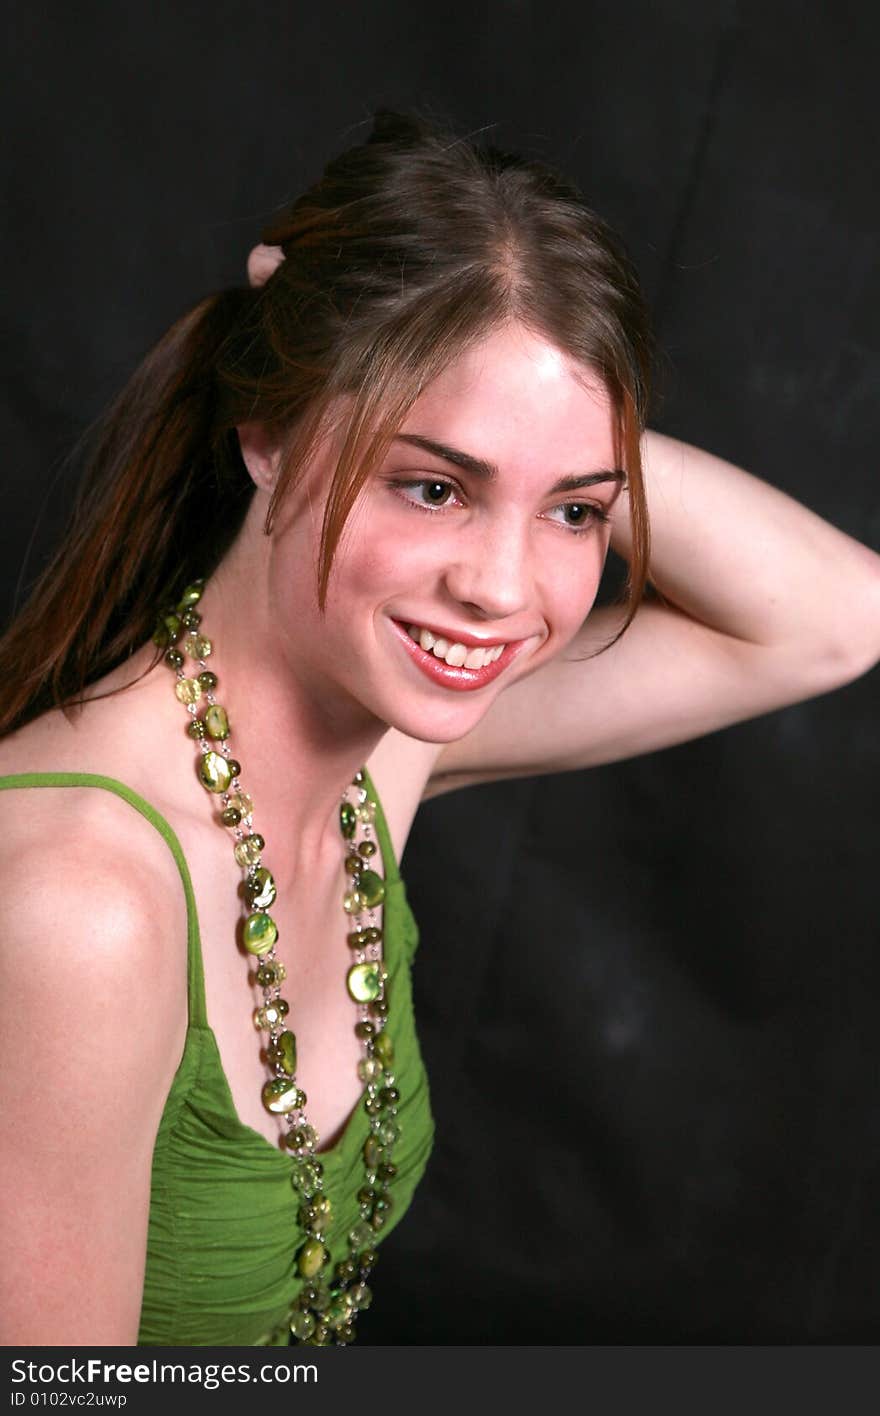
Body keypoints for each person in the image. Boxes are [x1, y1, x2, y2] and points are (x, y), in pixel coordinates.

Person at [0, 109, 877, 1349]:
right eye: (434, 486)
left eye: (575, 515)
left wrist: (543, 413)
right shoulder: (79, 905)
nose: (503, 591)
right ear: (270, 430)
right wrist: (354, 356)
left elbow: (833, 618)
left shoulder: (383, 747)